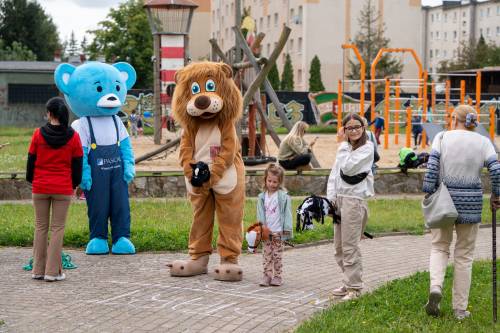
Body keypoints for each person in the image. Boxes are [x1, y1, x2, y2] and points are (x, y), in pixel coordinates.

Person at [423, 104, 500, 320]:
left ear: (454, 118)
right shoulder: (483, 141)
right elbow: (496, 169)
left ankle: (436, 286)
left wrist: (428, 192)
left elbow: (431, 167)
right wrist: (496, 195)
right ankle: (459, 309)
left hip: (443, 202)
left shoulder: (441, 137)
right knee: (464, 255)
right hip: (471, 204)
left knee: (439, 247)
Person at [26, 97, 83, 282]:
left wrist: (32, 181)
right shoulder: (74, 136)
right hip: (62, 188)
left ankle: (37, 270)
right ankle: (52, 272)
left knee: (40, 227)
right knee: (57, 228)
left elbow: (31, 162)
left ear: (49, 113)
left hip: (40, 186)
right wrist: (74, 185)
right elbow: (77, 165)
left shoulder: (37, 134)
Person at [327, 112, 375, 301]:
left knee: (349, 247)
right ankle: (348, 281)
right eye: (349, 128)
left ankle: (354, 288)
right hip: (339, 200)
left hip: (354, 202)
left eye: (357, 127)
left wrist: (342, 143)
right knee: (338, 248)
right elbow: (335, 174)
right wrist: (330, 200)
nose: (353, 131)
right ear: (344, 130)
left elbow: (347, 168)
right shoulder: (345, 148)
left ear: (363, 128)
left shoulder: (367, 148)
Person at [256, 164, 293, 287]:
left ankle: (277, 276)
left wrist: (286, 232)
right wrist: (262, 230)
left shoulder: (283, 197)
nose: (272, 184)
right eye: (269, 181)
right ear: (265, 179)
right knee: (266, 255)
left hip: (278, 233)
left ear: (280, 182)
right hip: (267, 232)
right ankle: (267, 276)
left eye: (275, 182)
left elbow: (287, 215)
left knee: (277, 256)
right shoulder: (262, 197)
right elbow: (260, 215)